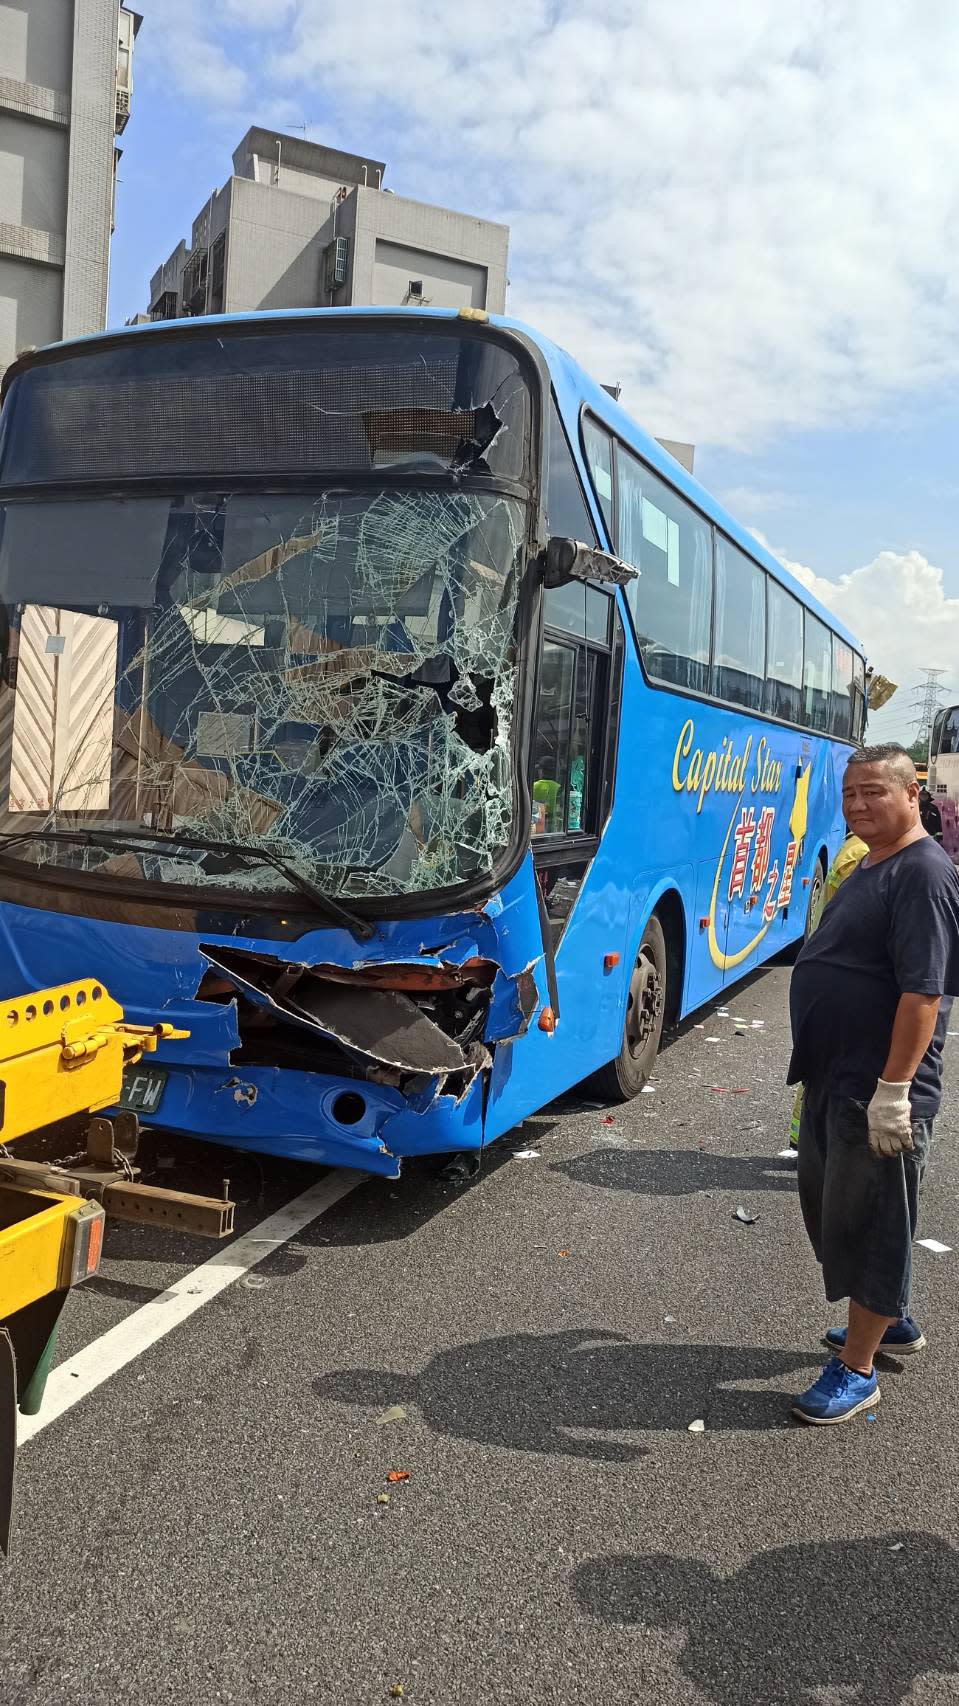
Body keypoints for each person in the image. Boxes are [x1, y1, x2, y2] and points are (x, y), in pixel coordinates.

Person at [787, 743, 959, 1424]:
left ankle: (856, 1369)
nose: (857, 805)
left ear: (910, 792)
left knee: (871, 1223)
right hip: (839, 1074)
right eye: (849, 792)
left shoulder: (921, 873)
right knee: (839, 1213)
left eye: (873, 793)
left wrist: (894, 1091)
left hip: (877, 1088)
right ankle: (889, 1322)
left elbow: (922, 994)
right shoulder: (874, 861)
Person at [785, 831, 868, 1152]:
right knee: (824, 1065)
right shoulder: (862, 856)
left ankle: (802, 1136)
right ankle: (809, 1137)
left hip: (826, 964)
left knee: (817, 1061)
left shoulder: (854, 847)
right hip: (838, 969)